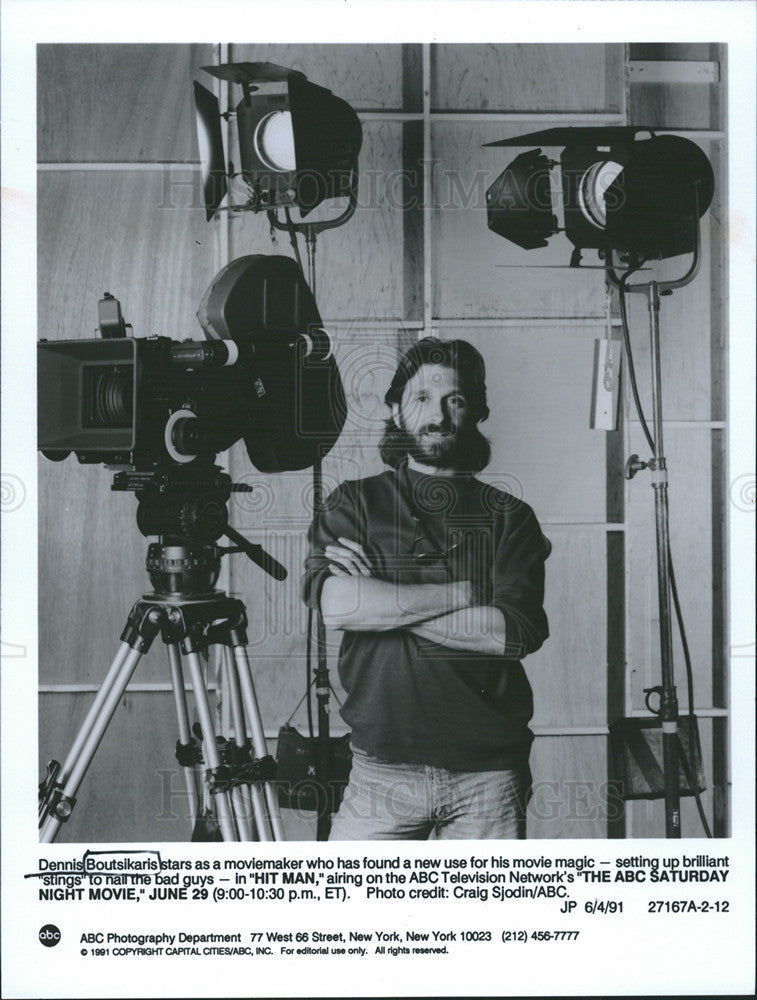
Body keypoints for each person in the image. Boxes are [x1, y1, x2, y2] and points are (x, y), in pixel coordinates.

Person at [302, 337, 550, 839]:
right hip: (379, 772)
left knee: (488, 920)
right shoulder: (356, 502)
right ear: (395, 410)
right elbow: (337, 605)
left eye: (453, 400)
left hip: (488, 777)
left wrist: (382, 596)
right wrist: (465, 592)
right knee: (347, 916)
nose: (437, 415)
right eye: (421, 399)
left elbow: (512, 635)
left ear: (475, 410)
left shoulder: (511, 518)